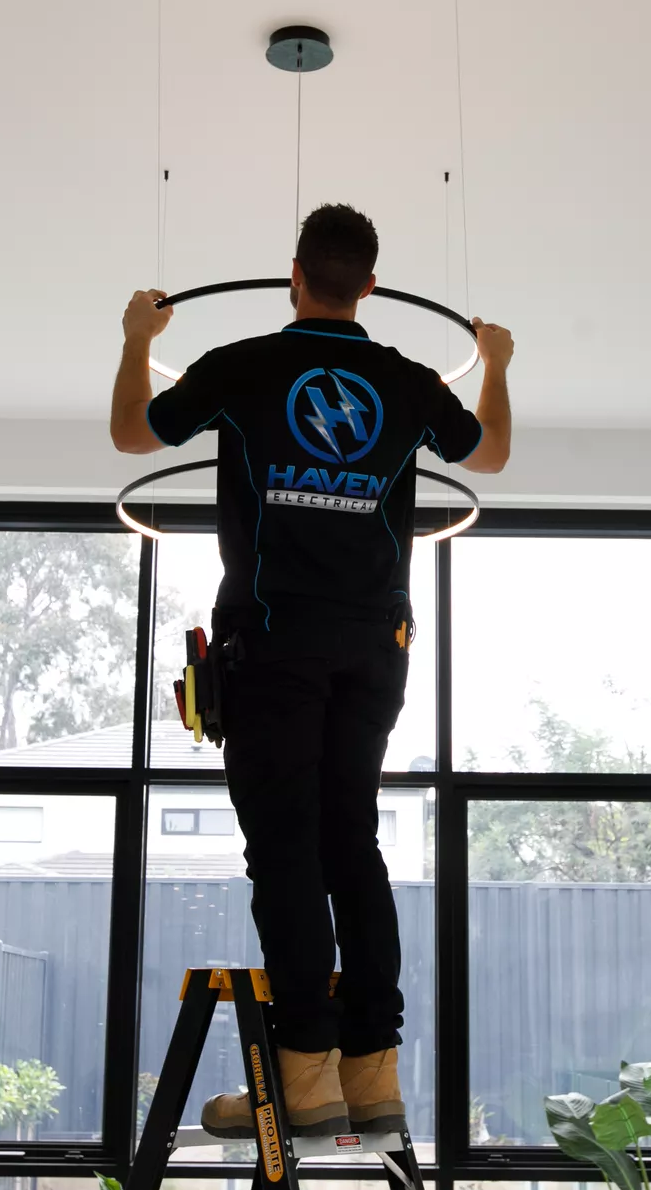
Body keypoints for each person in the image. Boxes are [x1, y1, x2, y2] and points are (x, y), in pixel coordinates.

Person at [110, 203, 512, 1139]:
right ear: (369, 285)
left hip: (274, 643)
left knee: (286, 850)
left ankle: (304, 1076)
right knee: (351, 844)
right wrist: (495, 362)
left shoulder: (242, 366)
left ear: (294, 274)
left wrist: (137, 340)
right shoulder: (408, 381)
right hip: (375, 647)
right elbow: (489, 452)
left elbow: (134, 433)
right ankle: (372, 1072)